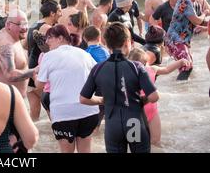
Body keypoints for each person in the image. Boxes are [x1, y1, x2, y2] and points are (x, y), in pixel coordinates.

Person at [80, 22, 159, 153]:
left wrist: (102, 100)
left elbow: (83, 99)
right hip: (134, 122)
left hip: (113, 125)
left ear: (106, 43)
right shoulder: (136, 67)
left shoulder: (98, 68)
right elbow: (154, 96)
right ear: (127, 42)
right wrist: (140, 100)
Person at [36, 25, 99, 153]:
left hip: (64, 113)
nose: (46, 41)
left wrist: (34, 74)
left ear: (60, 38)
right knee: (86, 151)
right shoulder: (84, 54)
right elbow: (98, 75)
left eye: (49, 37)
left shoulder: (48, 56)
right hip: (88, 110)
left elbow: (39, 86)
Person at [128, 48, 190, 145]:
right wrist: (181, 62)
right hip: (144, 111)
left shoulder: (151, 69)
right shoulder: (147, 69)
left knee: (151, 142)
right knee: (151, 142)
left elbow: (166, 69)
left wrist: (180, 62)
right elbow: (167, 69)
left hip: (144, 111)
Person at [165, 0, 209, 80]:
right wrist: (205, 13)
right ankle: (177, 92)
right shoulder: (185, 1)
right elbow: (197, 21)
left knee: (187, 65)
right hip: (175, 40)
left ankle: (180, 89)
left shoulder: (191, 2)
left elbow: (200, 22)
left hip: (180, 40)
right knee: (187, 66)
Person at [26, 0, 61, 121]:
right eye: (59, 11)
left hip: (31, 69)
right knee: (53, 110)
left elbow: (25, 45)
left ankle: (35, 139)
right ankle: (56, 137)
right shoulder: (46, 28)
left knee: (34, 114)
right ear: (52, 13)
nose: (61, 14)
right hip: (41, 72)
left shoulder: (34, 25)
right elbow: (53, 51)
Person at [0, 10, 34, 98]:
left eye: (26, 23)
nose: (25, 28)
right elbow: (10, 75)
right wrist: (35, 71)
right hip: (7, 102)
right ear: (8, 25)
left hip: (13, 99)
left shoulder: (13, 35)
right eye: (20, 24)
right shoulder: (6, 45)